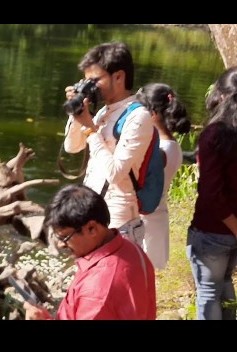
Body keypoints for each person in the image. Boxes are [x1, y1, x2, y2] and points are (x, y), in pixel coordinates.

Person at [63, 41, 154, 245]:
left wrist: (89, 128)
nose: (90, 87)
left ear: (119, 76)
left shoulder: (138, 116)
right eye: (86, 81)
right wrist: (76, 112)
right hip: (91, 219)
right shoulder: (104, 111)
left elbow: (115, 173)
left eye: (94, 80)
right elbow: (72, 147)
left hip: (119, 225)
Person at [23, 184, 156, 320]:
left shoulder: (95, 292)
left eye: (65, 237)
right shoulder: (130, 248)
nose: (60, 244)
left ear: (92, 228)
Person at [186, 66, 237, 320]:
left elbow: (211, 194)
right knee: (225, 284)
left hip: (212, 230)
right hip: (232, 230)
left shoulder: (214, 135)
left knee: (208, 292)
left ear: (223, 95)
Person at [135, 83, 191, 270]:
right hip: (158, 214)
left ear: (152, 113)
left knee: (141, 271)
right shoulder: (172, 144)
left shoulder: (160, 151)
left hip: (148, 219)